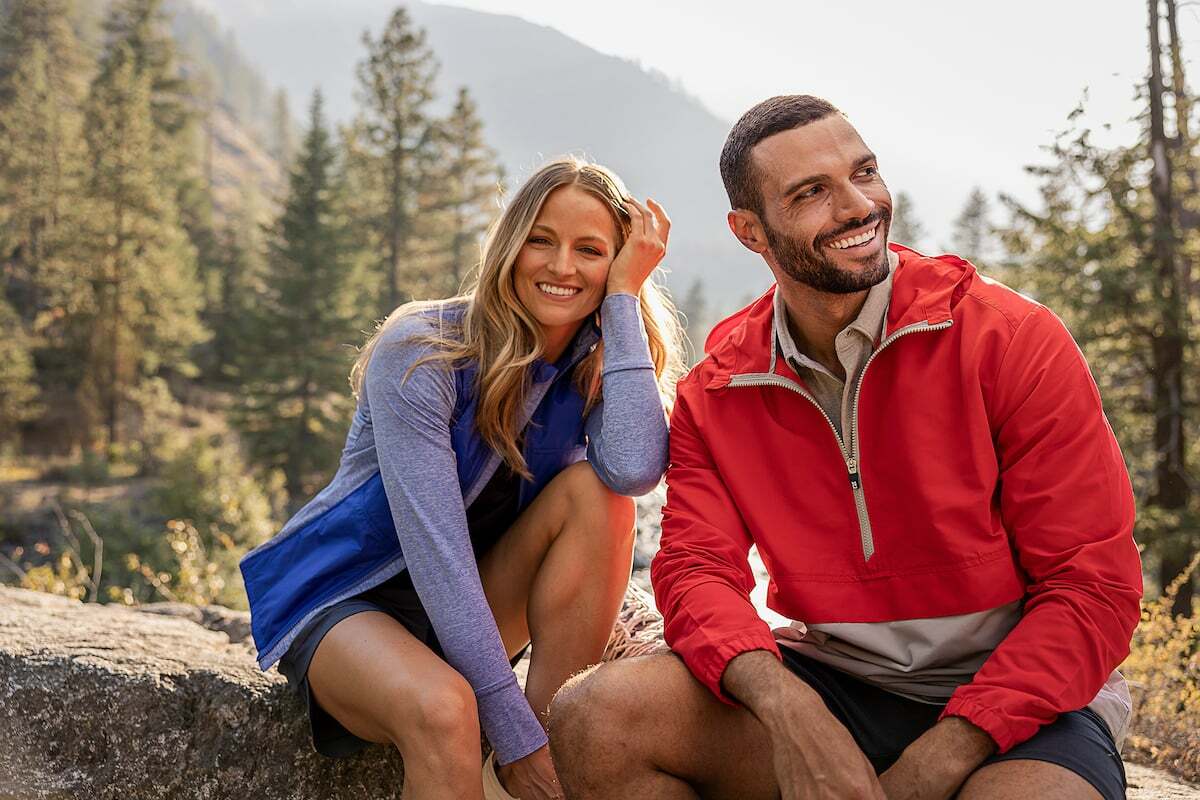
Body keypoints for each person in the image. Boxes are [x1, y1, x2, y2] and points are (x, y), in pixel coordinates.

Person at [548, 96, 1142, 800]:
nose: (860, 206)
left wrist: (943, 756)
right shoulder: (722, 387)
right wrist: (789, 708)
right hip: (834, 682)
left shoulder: (1010, 340)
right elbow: (695, 571)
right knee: (595, 718)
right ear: (750, 232)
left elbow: (1091, 586)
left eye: (865, 173)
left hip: (1024, 705)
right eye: (812, 194)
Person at [240, 156, 683, 800]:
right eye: (541, 240)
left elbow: (638, 469)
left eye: (590, 250)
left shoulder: (592, 367)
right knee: (447, 709)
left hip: (474, 605)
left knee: (600, 496)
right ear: (510, 246)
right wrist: (506, 727)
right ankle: (522, 744)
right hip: (349, 602)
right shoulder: (423, 349)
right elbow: (437, 555)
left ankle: (556, 734)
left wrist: (621, 303)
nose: (562, 267)